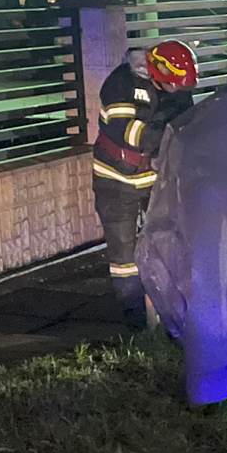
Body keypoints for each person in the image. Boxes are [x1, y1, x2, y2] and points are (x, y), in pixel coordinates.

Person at [92, 39, 198, 326]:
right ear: (158, 72)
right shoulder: (119, 85)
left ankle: (171, 310)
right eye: (174, 85)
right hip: (116, 179)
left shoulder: (177, 89)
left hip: (154, 178)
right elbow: (132, 135)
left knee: (168, 240)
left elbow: (184, 125)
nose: (178, 92)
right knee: (124, 255)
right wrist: (168, 134)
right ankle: (136, 321)